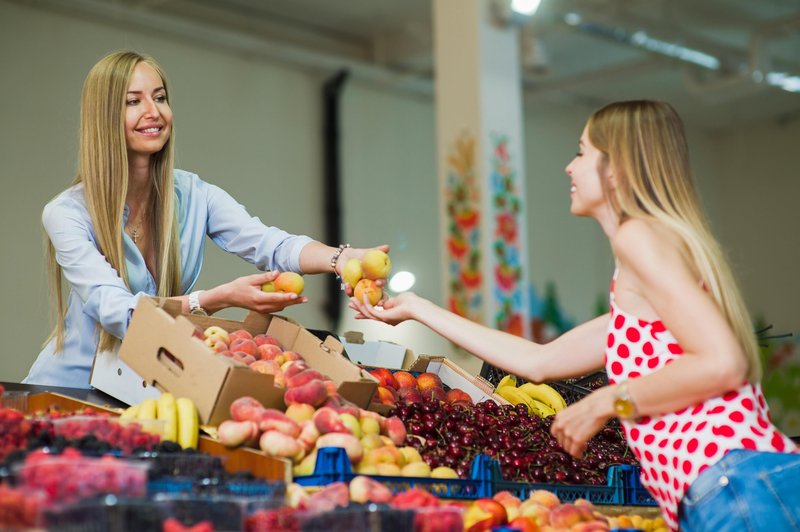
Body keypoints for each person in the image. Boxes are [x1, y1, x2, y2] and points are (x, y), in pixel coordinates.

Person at [351, 100, 799, 531]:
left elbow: (725, 362)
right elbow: (538, 362)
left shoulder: (638, 237)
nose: (570, 166)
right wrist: (418, 309)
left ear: (617, 167)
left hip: (731, 484)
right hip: (731, 486)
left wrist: (608, 401)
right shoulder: (645, 268)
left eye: (583, 152)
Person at [24, 50, 386, 390]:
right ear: (104, 117)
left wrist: (340, 259)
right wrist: (216, 298)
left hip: (138, 389)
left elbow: (271, 244)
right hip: (66, 391)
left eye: (160, 97)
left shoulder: (194, 194)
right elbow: (122, 315)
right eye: (133, 101)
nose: (154, 111)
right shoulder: (67, 213)